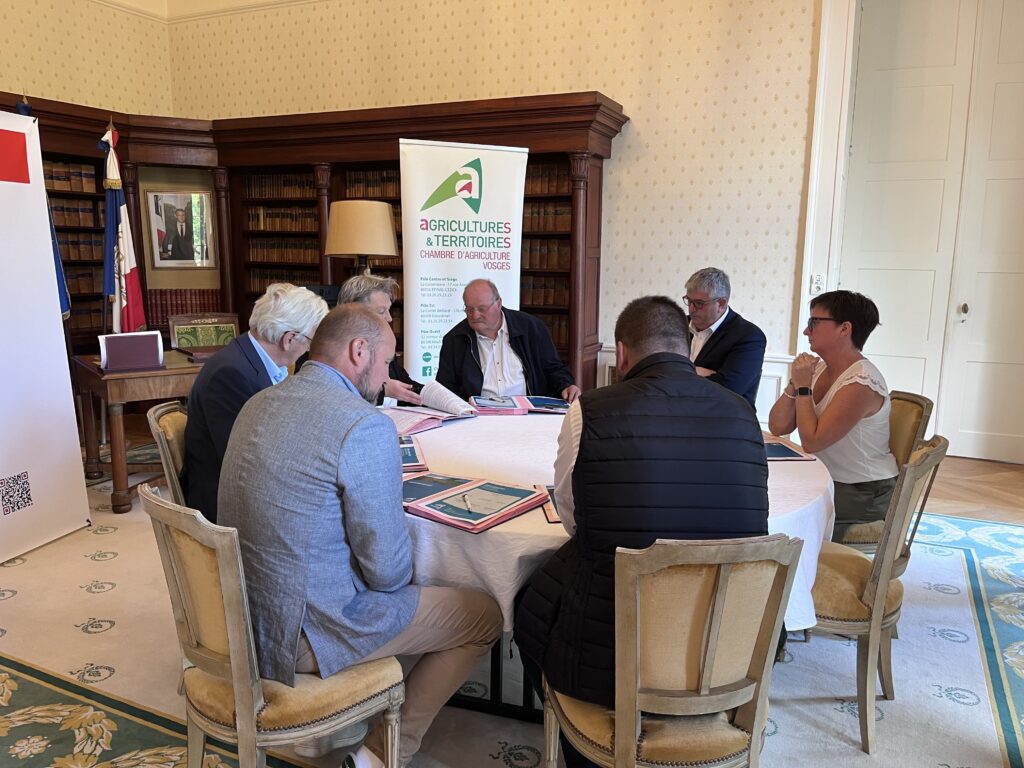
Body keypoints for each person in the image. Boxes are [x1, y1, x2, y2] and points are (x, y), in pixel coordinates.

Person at [218, 304, 502, 768]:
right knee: (483, 616)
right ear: (358, 351)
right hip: (306, 632)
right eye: (387, 361)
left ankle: (369, 711)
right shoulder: (363, 424)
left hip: (240, 616)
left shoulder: (260, 401)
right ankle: (382, 754)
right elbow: (388, 574)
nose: (387, 375)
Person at [514, 295, 769, 768]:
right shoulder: (742, 411)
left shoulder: (590, 410)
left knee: (528, 605)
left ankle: (584, 747)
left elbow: (573, 518)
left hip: (612, 646)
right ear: (686, 348)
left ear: (622, 353)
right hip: (725, 637)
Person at [180, 283, 328, 524]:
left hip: (252, 485)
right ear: (289, 339)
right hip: (226, 503)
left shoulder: (251, 357)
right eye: (310, 342)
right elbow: (245, 461)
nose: (308, 350)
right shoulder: (231, 374)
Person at [768, 290, 898, 542]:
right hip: (832, 479)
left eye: (814, 322)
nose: (806, 331)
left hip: (863, 492)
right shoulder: (819, 369)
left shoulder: (861, 382)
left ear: (844, 329)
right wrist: (796, 382)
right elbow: (778, 425)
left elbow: (812, 441)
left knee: (785, 516)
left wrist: (803, 386)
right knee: (771, 492)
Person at [436, 278, 580, 402]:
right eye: (469, 309)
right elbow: (445, 388)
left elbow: (553, 369)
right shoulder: (454, 340)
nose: (475, 316)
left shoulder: (530, 328)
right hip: (478, 418)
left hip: (529, 414)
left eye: (482, 309)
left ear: (498, 304)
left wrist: (566, 386)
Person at [683, 267, 767, 409]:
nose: (691, 308)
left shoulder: (749, 336)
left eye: (699, 303)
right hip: (678, 412)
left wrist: (680, 372)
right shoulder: (677, 325)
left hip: (724, 416)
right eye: (688, 300)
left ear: (721, 304)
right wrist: (700, 372)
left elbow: (730, 389)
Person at [338, 272, 423, 405]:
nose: (389, 318)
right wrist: (384, 391)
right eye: (381, 311)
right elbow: (336, 397)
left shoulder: (383, 345)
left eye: (389, 310)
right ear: (354, 311)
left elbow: (406, 385)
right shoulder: (334, 348)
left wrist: (435, 396)